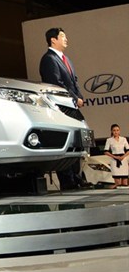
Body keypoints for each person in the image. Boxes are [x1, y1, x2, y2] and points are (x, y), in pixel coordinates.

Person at [39, 27, 89, 189]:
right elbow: (56, 83)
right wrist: (74, 98)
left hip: (72, 105)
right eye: (62, 36)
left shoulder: (66, 59)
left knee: (78, 141)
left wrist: (79, 96)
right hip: (61, 106)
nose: (66, 39)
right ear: (53, 40)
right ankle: (68, 180)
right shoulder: (49, 59)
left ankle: (77, 177)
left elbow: (74, 81)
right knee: (67, 142)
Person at [104, 124, 129, 188]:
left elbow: (128, 150)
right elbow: (106, 151)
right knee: (118, 182)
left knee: (125, 182)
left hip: (123, 160)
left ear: (119, 131)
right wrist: (115, 157)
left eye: (117, 130)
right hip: (114, 160)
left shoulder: (123, 139)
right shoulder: (109, 140)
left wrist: (123, 156)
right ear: (112, 131)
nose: (116, 132)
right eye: (114, 130)